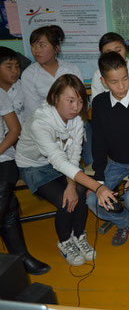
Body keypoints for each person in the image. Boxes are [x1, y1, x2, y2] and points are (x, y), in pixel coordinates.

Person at [15, 74, 117, 266]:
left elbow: (74, 154)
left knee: (77, 191)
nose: (76, 107)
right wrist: (98, 187)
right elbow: (59, 162)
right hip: (34, 166)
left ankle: (79, 235)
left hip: (62, 162)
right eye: (70, 100)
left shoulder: (77, 119)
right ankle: (64, 241)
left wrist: (71, 184)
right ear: (54, 98)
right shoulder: (41, 123)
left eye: (80, 101)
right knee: (64, 199)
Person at [87, 51, 129, 251]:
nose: (122, 86)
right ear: (103, 81)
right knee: (93, 200)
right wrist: (99, 180)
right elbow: (97, 142)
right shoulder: (99, 103)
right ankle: (124, 223)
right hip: (115, 162)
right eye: (114, 82)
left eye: (125, 79)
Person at [0, 47, 49, 275]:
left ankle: (20, 259)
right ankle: (20, 258)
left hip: (6, 155)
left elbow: (15, 129)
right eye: (8, 66)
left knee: (5, 197)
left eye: (15, 65)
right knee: (7, 207)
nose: (15, 71)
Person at [21, 25, 83, 121]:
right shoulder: (29, 75)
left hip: (72, 122)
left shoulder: (71, 69)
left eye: (42, 45)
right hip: (41, 125)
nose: (36, 50)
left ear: (56, 49)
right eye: (33, 45)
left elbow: (80, 102)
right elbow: (33, 110)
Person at [91, 32, 129, 98]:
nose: (115, 55)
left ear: (125, 49)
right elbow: (97, 101)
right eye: (109, 53)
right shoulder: (98, 74)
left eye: (118, 50)